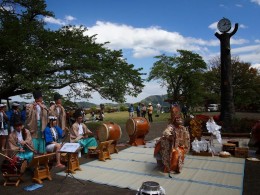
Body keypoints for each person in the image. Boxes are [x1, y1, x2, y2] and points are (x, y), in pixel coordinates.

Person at [154, 104, 190, 173]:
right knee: (175, 152)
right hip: (170, 144)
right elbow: (165, 132)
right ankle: (170, 168)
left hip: (178, 145)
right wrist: (170, 136)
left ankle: (177, 167)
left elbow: (185, 136)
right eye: (177, 119)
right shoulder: (171, 126)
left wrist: (184, 135)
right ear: (174, 120)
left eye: (180, 119)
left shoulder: (181, 127)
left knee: (181, 151)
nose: (179, 121)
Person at [25, 90, 48, 154]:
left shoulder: (43, 105)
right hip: (34, 124)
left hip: (42, 124)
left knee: (41, 137)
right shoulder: (30, 105)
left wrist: (41, 106)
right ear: (38, 98)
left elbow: (47, 113)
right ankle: (34, 152)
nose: (41, 99)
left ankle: (41, 152)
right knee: (34, 138)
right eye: (41, 98)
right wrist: (33, 108)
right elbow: (27, 114)